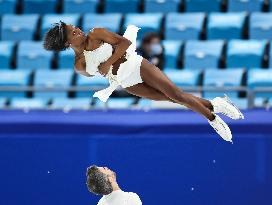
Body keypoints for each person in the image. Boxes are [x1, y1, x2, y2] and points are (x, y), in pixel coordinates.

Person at [43, 21, 244, 142]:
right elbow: (102, 73)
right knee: (173, 100)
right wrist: (108, 71)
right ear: (68, 43)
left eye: (75, 27)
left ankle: (213, 119)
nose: (78, 29)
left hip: (137, 66)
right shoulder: (79, 65)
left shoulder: (96, 33)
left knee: (177, 95)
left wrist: (110, 62)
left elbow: (125, 43)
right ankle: (216, 104)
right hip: (127, 82)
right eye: (73, 32)